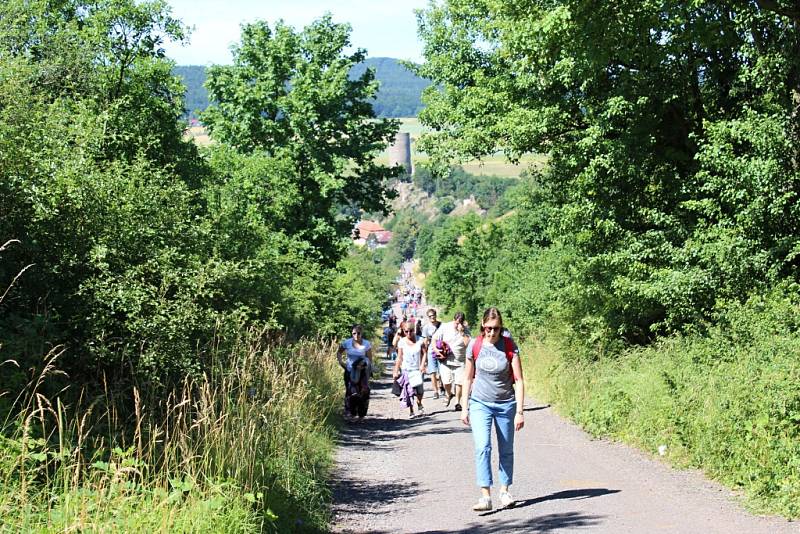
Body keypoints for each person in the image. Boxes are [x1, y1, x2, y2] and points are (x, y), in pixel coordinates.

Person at [460, 307, 525, 511]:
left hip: (506, 404)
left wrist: (520, 412)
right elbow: (467, 378)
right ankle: (485, 496)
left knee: (506, 450)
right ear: (482, 325)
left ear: (501, 327)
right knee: (482, 447)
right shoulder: (474, 345)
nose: (491, 333)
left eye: (496, 329)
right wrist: (464, 407)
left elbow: (520, 380)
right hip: (480, 403)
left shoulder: (509, 346)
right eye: (488, 328)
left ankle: (504, 492)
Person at [432, 311, 471, 410]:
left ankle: (457, 402)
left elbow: (468, 345)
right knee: (446, 381)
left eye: (460, 323)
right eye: (456, 323)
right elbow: (434, 338)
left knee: (459, 382)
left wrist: (462, 332)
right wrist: (435, 349)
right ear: (454, 320)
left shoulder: (465, 330)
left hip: (460, 361)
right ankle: (448, 394)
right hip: (446, 360)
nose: (457, 325)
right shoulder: (445, 326)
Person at [336, 324, 373, 422]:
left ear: (362, 333)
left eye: (358, 333)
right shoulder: (347, 343)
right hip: (349, 370)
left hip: (362, 372)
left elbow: (369, 359)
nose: (356, 335)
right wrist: (341, 362)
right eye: (354, 333)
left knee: (363, 392)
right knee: (350, 392)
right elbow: (339, 352)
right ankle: (350, 413)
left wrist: (364, 366)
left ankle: (361, 415)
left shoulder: (366, 344)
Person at [392, 321, 427, 418]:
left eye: (411, 331)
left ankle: (419, 403)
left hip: (417, 369)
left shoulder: (420, 340)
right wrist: (396, 370)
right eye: (406, 331)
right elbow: (399, 357)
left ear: (414, 330)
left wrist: (423, 365)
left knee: (419, 390)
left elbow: (424, 353)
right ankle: (411, 410)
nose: (408, 333)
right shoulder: (402, 342)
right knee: (408, 390)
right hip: (406, 369)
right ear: (403, 331)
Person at [421, 308, 443, 399]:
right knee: (432, 372)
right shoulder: (426, 328)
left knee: (442, 371)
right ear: (428, 317)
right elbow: (425, 341)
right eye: (430, 316)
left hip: (441, 350)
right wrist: (424, 356)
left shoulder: (441, 325)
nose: (432, 317)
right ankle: (435, 391)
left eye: (433, 315)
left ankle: (441, 385)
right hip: (431, 351)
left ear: (436, 315)